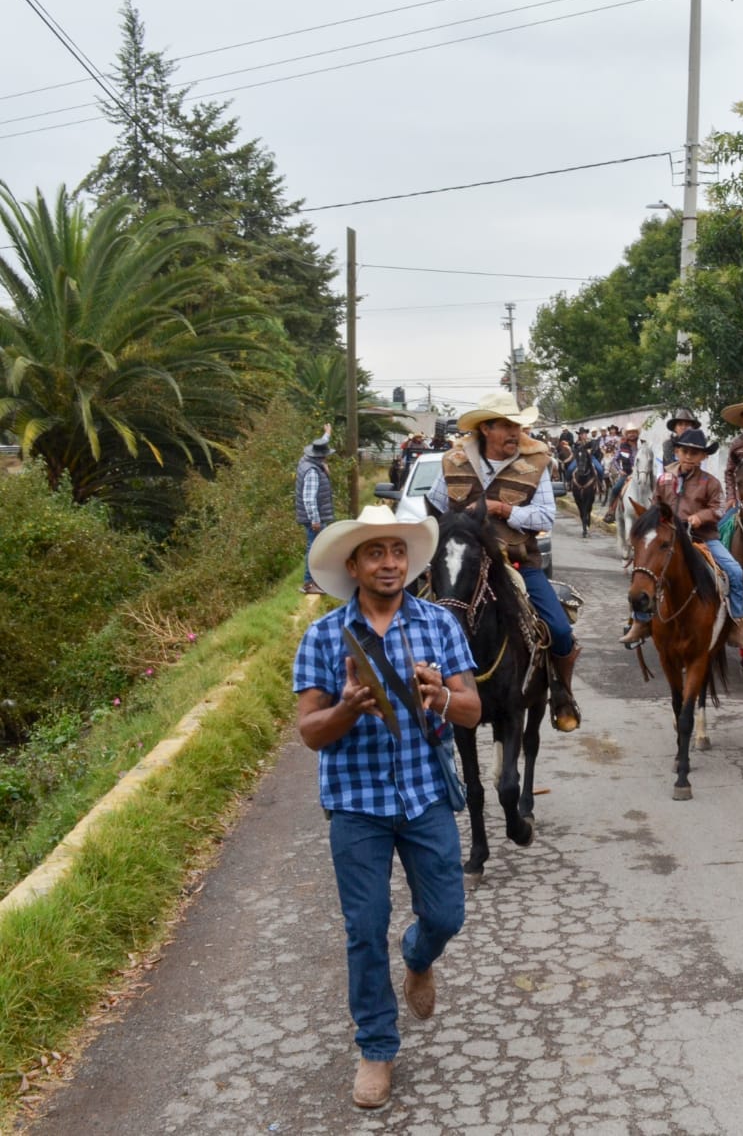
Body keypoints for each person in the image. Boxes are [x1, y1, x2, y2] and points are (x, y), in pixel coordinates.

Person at [294, 506, 483, 1109]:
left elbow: (473, 710)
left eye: (397, 552)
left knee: (448, 914)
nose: (389, 563)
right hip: (357, 803)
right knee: (363, 928)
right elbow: (310, 732)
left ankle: (419, 955)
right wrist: (347, 708)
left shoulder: (438, 626)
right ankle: (376, 1048)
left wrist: (441, 701)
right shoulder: (323, 636)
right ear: (353, 565)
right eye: (375, 553)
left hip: (425, 793)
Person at [426, 391, 583, 731]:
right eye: (507, 426)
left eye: (518, 425)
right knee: (420, 621)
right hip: (463, 563)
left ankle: (561, 692)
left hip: (516, 563)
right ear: (486, 429)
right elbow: (436, 508)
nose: (515, 432)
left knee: (559, 629)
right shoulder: (453, 462)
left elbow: (544, 517)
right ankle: (424, 700)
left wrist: (504, 509)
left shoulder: (537, 462)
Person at [619, 428, 743, 651]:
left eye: (695, 453)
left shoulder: (710, 482)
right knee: (643, 569)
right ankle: (639, 620)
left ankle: (738, 626)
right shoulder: (664, 479)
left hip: (703, 538)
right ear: (677, 452)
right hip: (668, 538)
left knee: (735, 572)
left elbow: (719, 509)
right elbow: (656, 505)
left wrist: (698, 517)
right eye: (685, 451)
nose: (689, 456)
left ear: (704, 456)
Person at [296, 424, 335, 595]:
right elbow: (309, 498)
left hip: (314, 515)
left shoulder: (305, 461)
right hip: (314, 517)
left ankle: (316, 581)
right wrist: (315, 520)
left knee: (318, 547)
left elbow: (320, 446)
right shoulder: (312, 471)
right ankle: (309, 583)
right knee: (315, 549)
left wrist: (327, 435)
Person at [600, 422, 641, 525]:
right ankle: (611, 511)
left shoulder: (642, 444)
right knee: (616, 489)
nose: (632, 434)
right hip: (627, 473)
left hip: (641, 473)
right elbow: (615, 460)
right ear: (626, 434)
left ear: (637, 433)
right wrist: (620, 470)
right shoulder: (622, 446)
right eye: (629, 432)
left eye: (634, 432)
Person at [660, 407, 700, 472]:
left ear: (692, 428)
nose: (683, 427)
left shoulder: (698, 446)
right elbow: (670, 467)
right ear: (675, 428)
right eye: (680, 424)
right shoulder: (668, 445)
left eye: (687, 424)